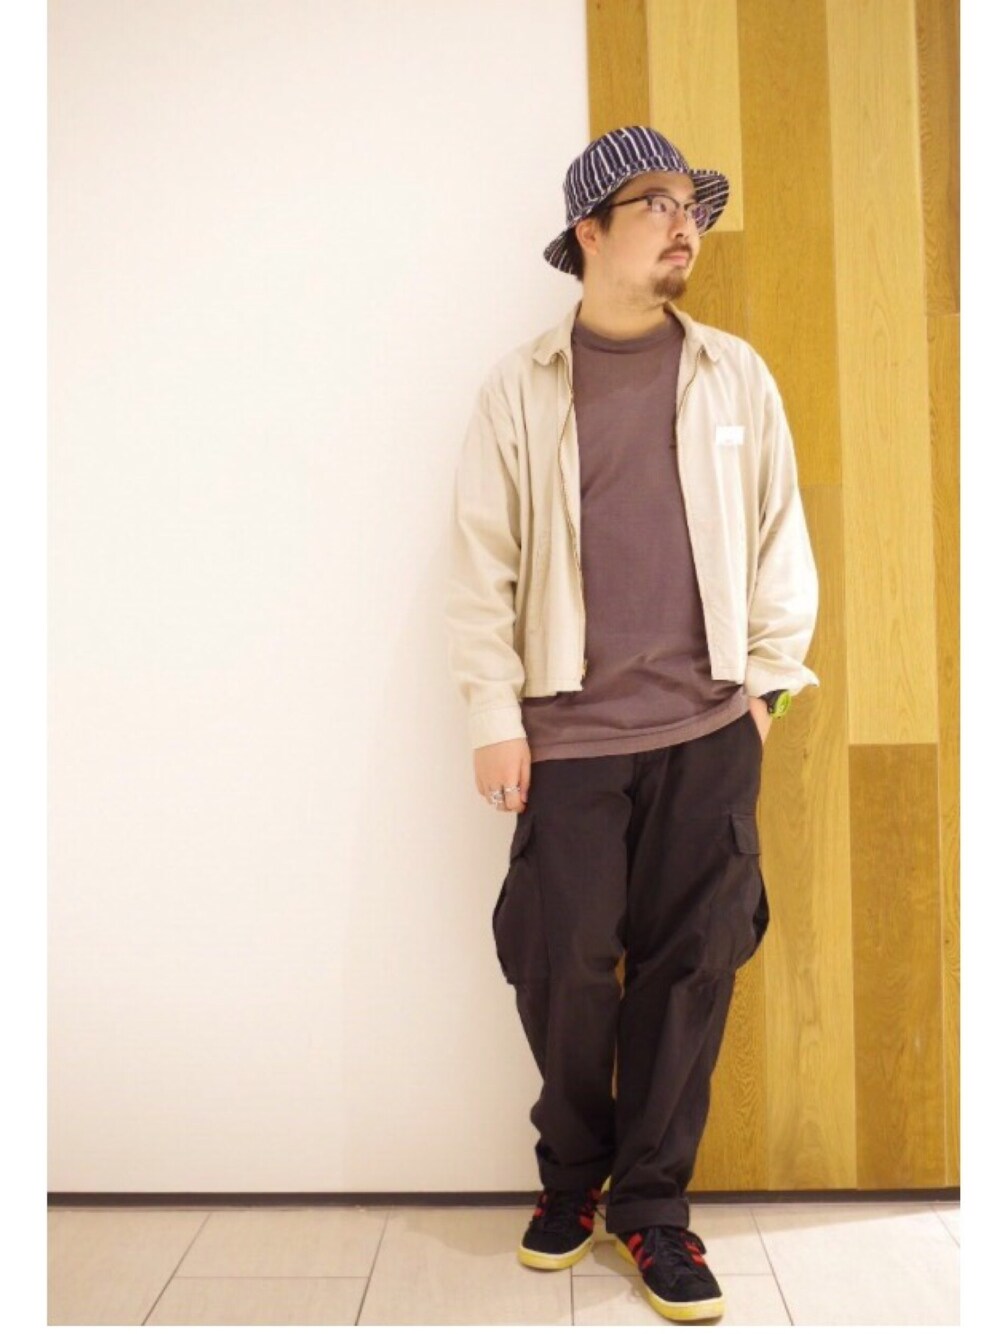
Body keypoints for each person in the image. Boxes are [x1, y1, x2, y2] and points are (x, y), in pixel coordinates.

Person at [444, 125, 819, 1324]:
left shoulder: (732, 374)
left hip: (707, 729)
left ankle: (652, 1207)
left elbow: (779, 536)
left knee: (692, 964)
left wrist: (765, 693)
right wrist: (492, 713)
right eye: (652, 203)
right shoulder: (520, 386)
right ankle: (574, 1176)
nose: (681, 223)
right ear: (588, 232)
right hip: (565, 734)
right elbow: (482, 563)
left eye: (690, 206)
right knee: (558, 964)